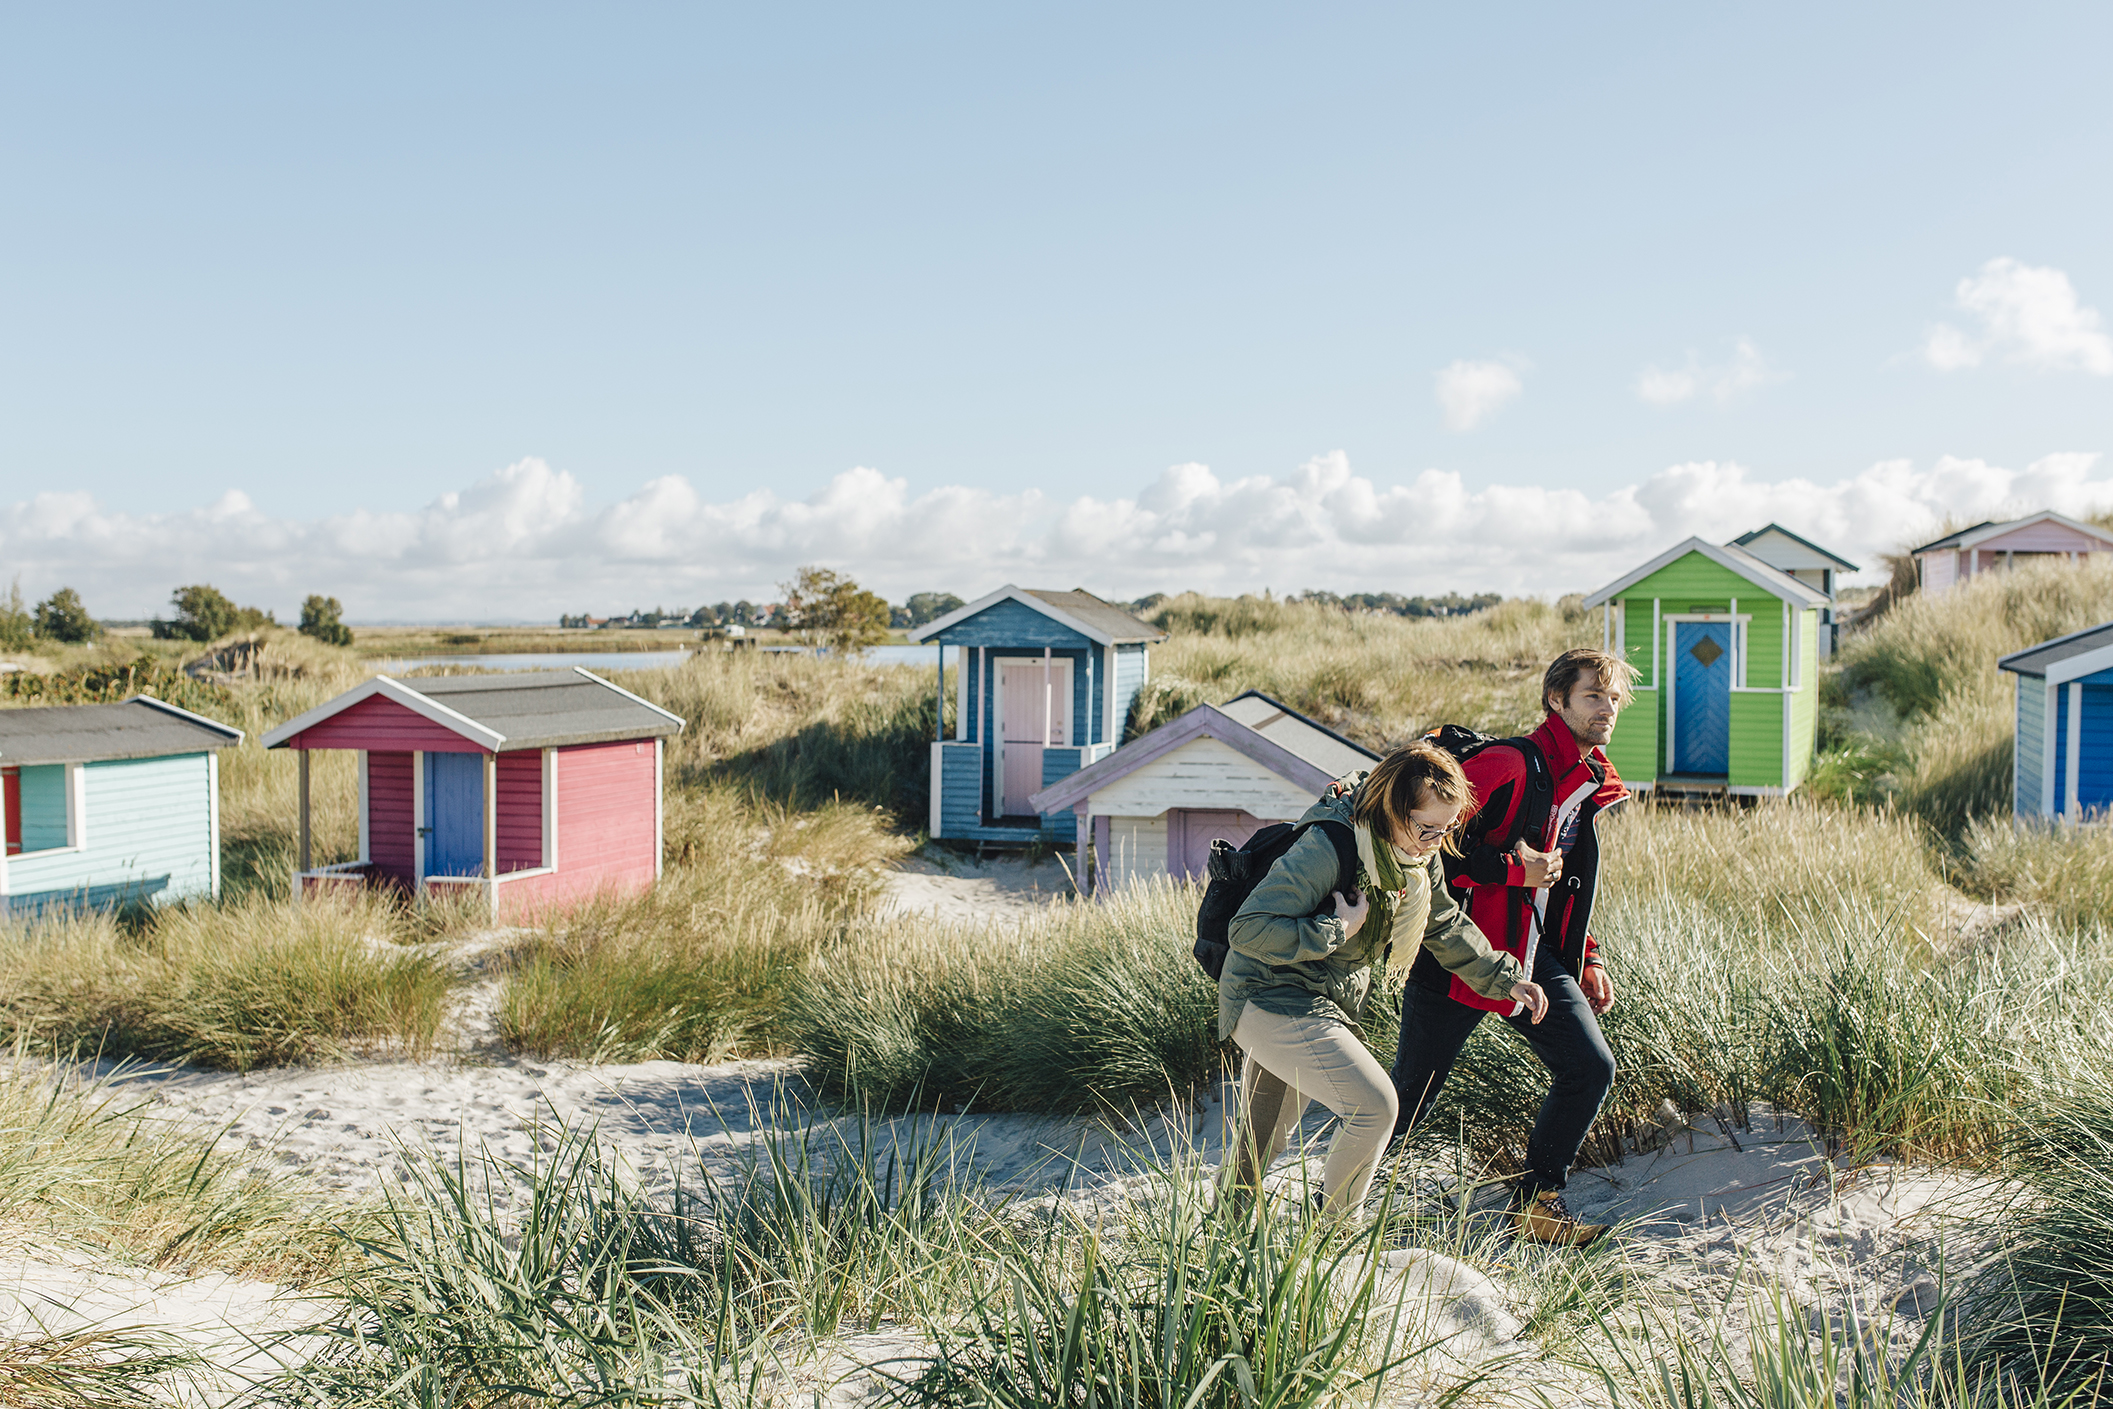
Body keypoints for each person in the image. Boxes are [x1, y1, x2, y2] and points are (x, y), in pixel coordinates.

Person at [1220, 741, 1549, 1221]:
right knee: (1374, 1107)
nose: (1436, 841)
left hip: (1319, 998)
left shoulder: (1415, 855)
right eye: (1426, 827)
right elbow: (1246, 930)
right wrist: (1336, 929)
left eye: (1448, 828)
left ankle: (1219, 1248)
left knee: (1261, 1142)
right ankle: (1333, 1239)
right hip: (1265, 995)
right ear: (1392, 806)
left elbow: (1441, 921)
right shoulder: (1331, 845)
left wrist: (1506, 978)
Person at [1390, 647, 1636, 1247]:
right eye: (1592, 696)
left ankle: (1537, 1205)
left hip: (1530, 956)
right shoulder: (1506, 763)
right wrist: (1508, 870)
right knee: (1406, 1101)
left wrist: (1589, 956)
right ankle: (1335, 1207)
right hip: (1459, 958)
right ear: (1557, 700)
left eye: (1612, 698)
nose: (1606, 709)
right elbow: (1424, 843)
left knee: (1589, 1067)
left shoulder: (1586, 782)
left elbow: (1561, 888)